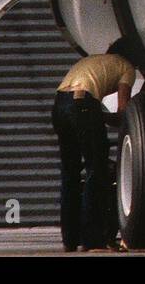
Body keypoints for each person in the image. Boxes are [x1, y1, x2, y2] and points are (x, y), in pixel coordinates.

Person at [52, 41, 136, 251]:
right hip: (83, 104)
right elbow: (123, 110)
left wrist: (98, 116)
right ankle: (92, 239)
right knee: (96, 169)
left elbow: (80, 106)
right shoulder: (127, 67)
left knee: (70, 172)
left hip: (59, 105)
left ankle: (70, 240)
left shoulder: (90, 60)